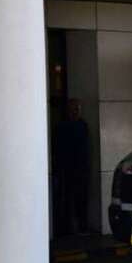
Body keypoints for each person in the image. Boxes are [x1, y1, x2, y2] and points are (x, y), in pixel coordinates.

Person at [53, 98, 91, 236]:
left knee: (80, 199)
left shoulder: (82, 125)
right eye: (73, 109)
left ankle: (81, 227)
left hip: (80, 169)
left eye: (77, 109)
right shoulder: (62, 127)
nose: (75, 112)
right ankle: (66, 228)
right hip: (67, 169)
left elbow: (85, 149)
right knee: (67, 199)